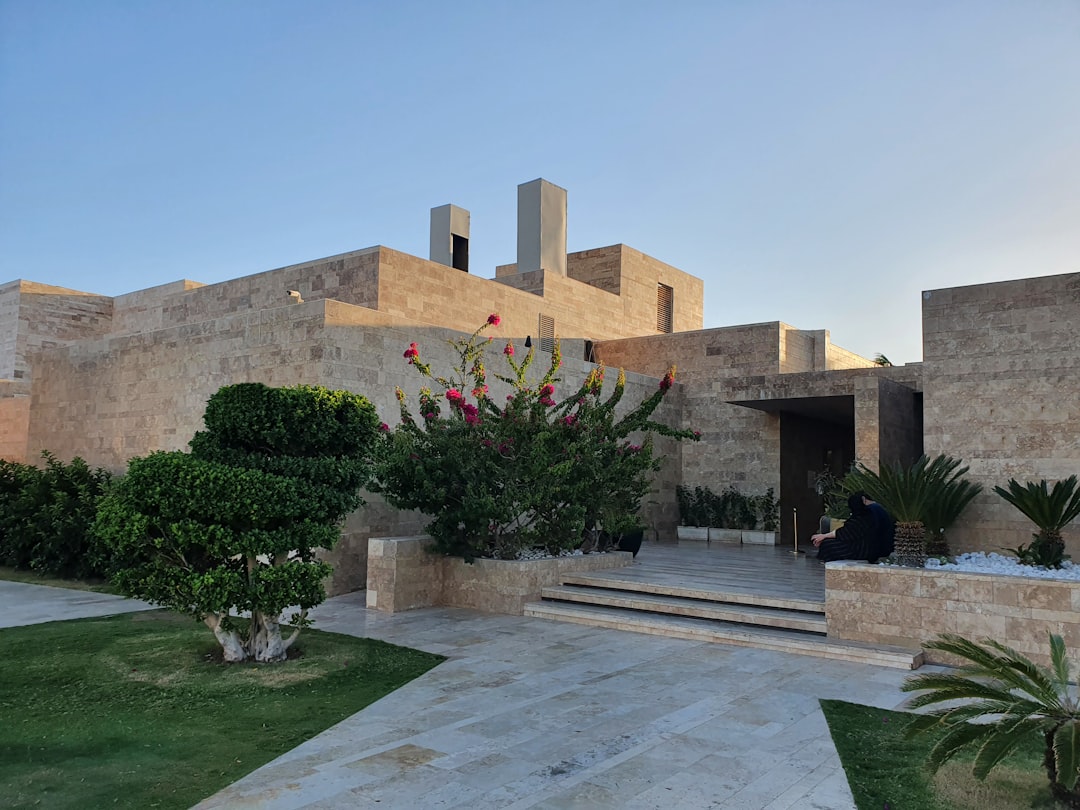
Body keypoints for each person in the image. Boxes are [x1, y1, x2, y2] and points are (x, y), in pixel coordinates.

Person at [810, 492, 887, 563]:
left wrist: (824, 536)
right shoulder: (871, 512)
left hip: (864, 550)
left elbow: (846, 533)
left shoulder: (864, 516)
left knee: (828, 544)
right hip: (870, 546)